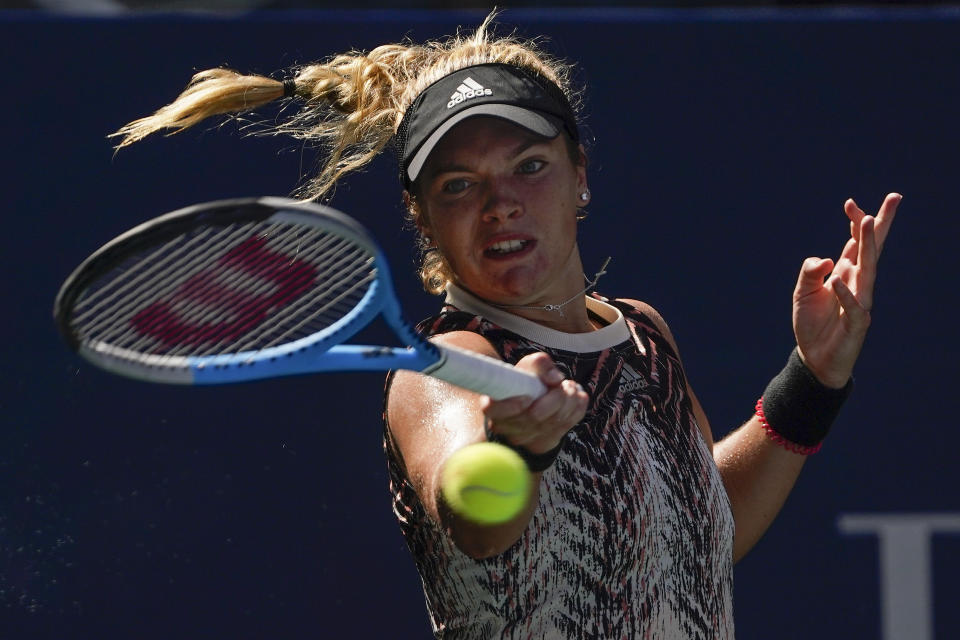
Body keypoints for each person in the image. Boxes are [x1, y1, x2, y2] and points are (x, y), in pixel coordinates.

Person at [112, 13, 900, 639]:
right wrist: (517, 447)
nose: (500, 206)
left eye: (529, 166)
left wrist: (813, 379)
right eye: (460, 186)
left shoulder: (642, 334)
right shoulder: (444, 363)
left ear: (579, 174)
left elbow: (696, 542)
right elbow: (475, 520)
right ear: (423, 217)